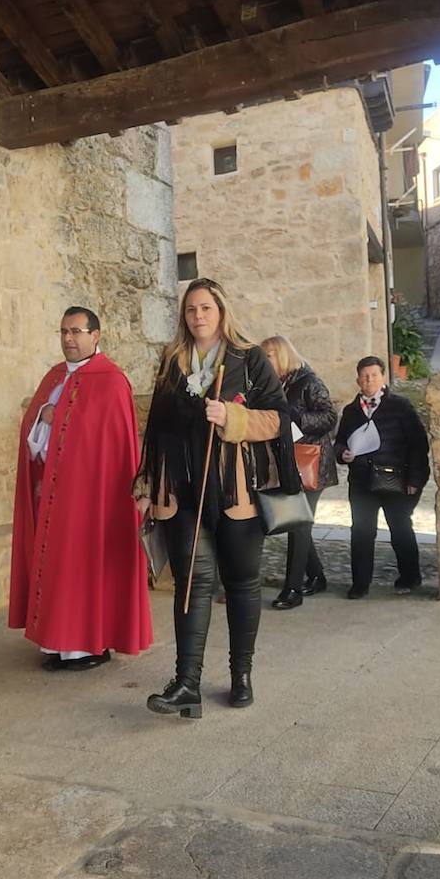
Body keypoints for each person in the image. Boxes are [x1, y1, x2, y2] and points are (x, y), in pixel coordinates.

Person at [135, 278, 300, 716]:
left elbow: (279, 420)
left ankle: (240, 674)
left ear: (221, 312)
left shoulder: (248, 359)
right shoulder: (172, 361)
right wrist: (149, 486)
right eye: (191, 310)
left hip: (234, 491)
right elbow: (155, 428)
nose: (199, 316)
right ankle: (186, 683)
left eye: (206, 308)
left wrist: (233, 417)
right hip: (182, 491)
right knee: (191, 583)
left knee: (243, 582)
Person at [8, 307, 151, 670]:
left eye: (76, 331)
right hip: (54, 497)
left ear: (95, 335)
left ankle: (90, 646)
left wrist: (59, 424)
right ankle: (56, 643)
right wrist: (43, 419)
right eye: (63, 332)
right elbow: (35, 434)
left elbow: (112, 449)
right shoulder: (54, 376)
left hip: (92, 501)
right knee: (56, 567)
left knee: (84, 569)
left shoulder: (112, 381)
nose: (68, 339)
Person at [332, 356, 430, 599]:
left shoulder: (400, 406)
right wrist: (342, 454)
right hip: (362, 481)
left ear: (383, 377)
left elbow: (418, 444)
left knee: (400, 530)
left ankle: (410, 576)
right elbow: (340, 441)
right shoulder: (351, 411)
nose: (369, 380)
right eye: (365, 376)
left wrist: (415, 480)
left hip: (394, 478)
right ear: (358, 380)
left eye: (374, 375)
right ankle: (360, 583)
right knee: (361, 532)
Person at [261, 336, 339, 610]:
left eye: (269, 355)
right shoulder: (276, 384)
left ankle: (292, 589)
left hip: (312, 464)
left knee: (298, 524)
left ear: (282, 355)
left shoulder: (308, 382)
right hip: (290, 464)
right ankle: (317, 576)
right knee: (298, 521)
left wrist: (299, 420)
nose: (265, 360)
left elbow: (330, 417)